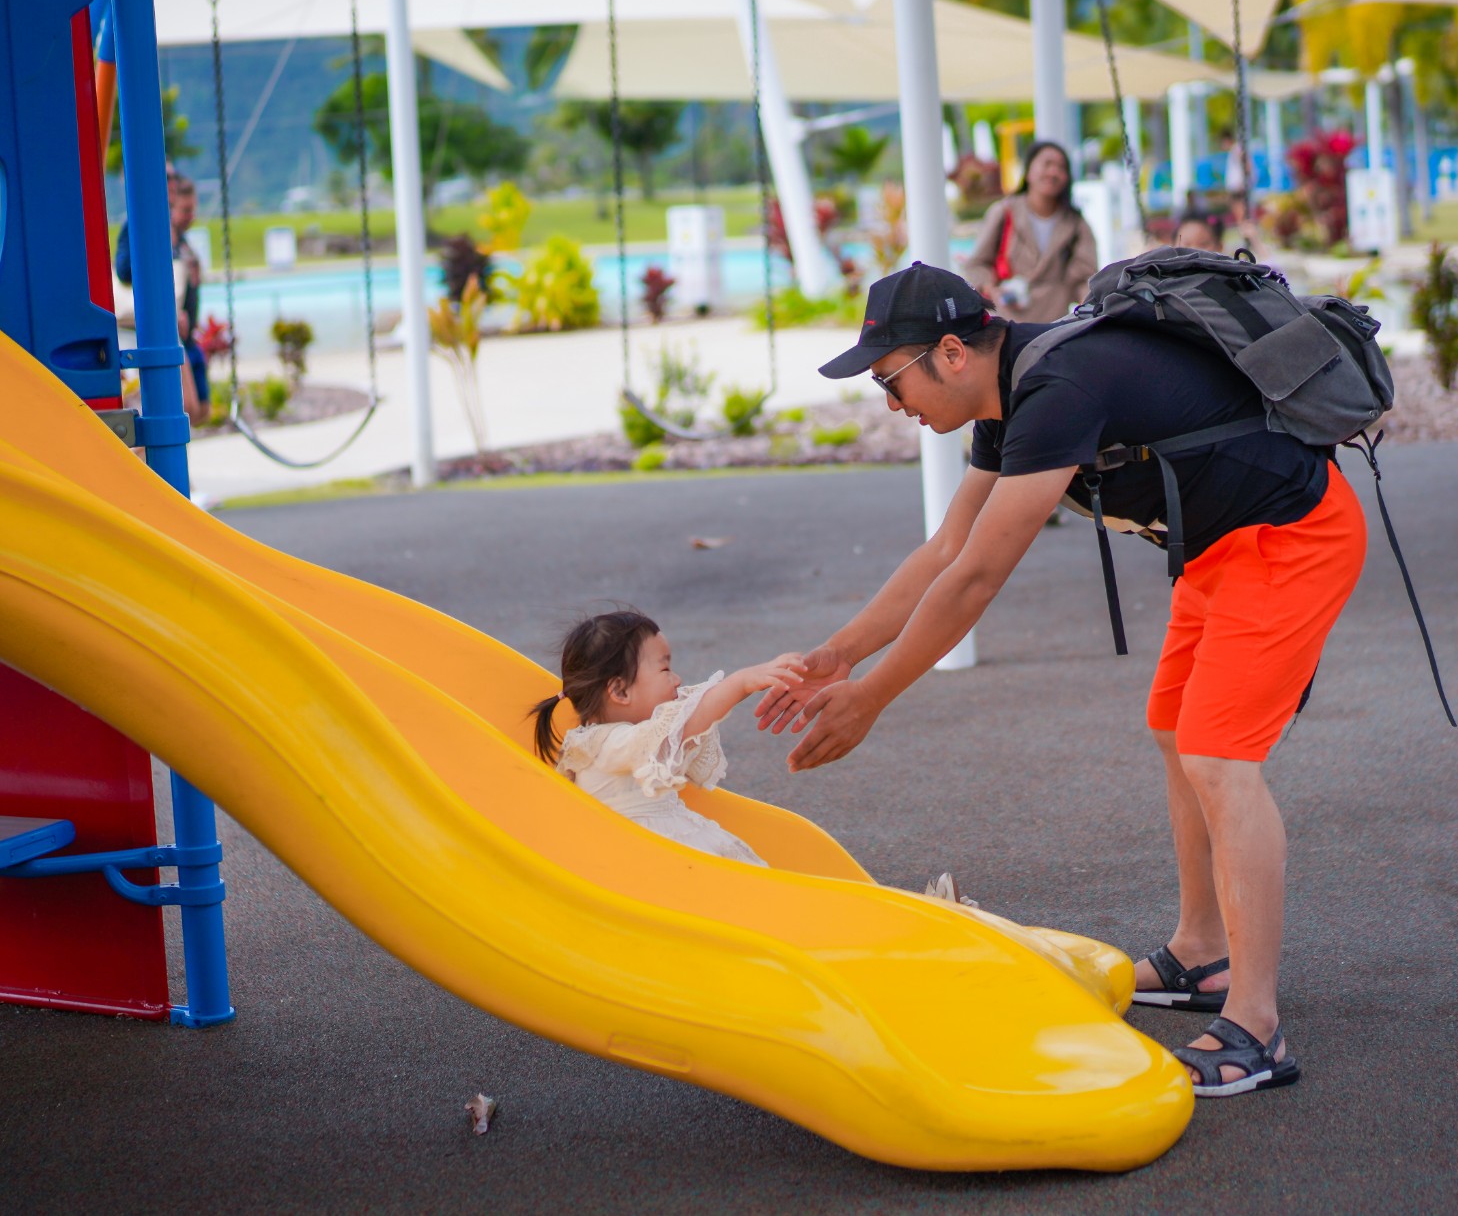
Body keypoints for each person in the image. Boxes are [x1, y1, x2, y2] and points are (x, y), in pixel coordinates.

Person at [757, 262, 1366, 1099]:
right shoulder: (1005, 397)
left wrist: (873, 697)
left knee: (1222, 758)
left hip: (1290, 539)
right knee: (1173, 730)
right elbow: (945, 552)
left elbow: (977, 579)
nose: (890, 403)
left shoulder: (1061, 386)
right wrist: (841, 653)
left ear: (949, 352)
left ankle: (1258, 1026)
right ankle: (1202, 953)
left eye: (890, 381)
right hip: (1219, 551)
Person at [528, 608, 805, 866]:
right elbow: (686, 724)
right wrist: (740, 684)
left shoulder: (618, 741)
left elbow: (685, 719)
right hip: (648, 863)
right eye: (664, 669)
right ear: (620, 691)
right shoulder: (608, 745)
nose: (677, 679)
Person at [961, 141, 1097, 323]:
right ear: (1029, 171)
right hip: (1007, 321)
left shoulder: (1075, 223)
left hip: (1054, 324)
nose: (1053, 172)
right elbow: (977, 263)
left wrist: (1086, 305)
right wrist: (991, 289)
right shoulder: (1004, 211)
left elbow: (1086, 276)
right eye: (1047, 164)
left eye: (1061, 167)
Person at [115, 165, 209, 426]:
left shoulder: (169, 227)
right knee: (164, 409)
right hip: (146, 327)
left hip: (171, 326)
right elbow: (123, 269)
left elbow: (180, 280)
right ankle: (143, 460)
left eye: (174, 178)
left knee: (188, 409)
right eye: (167, 178)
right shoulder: (139, 222)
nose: (172, 183)